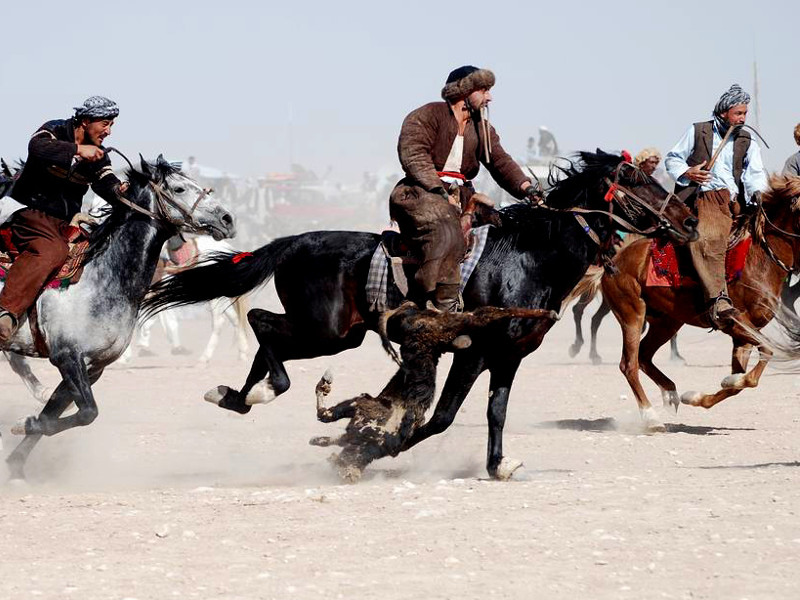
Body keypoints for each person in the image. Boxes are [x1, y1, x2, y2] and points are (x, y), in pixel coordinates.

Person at [390, 65, 539, 312]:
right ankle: (439, 309)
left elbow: (501, 162)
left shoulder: (482, 128)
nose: (489, 97)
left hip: (462, 196)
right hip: (420, 194)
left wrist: (527, 188)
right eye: (484, 90)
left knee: (505, 228)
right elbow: (414, 155)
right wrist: (438, 191)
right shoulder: (427, 115)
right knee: (449, 234)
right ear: (464, 90)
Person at [0, 96, 127, 342]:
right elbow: (37, 148)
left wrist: (119, 190)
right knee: (53, 250)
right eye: (104, 124)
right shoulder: (55, 129)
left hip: (64, 222)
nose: (108, 131)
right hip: (29, 211)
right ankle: (6, 311)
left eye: (111, 125)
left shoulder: (100, 155)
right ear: (86, 120)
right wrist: (78, 150)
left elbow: (106, 182)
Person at [665, 83, 768, 326]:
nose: (743, 118)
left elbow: (755, 173)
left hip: (736, 202)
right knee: (708, 239)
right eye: (738, 113)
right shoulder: (698, 130)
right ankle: (718, 298)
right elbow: (673, 158)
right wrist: (689, 172)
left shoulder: (746, 138)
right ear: (724, 113)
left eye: (745, 113)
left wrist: (759, 194)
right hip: (706, 198)